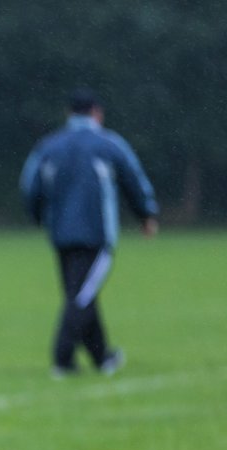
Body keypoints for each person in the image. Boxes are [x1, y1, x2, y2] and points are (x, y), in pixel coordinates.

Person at [19, 87, 159, 377]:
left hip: (59, 234)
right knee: (81, 296)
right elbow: (133, 178)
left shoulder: (49, 145)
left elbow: (29, 184)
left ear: (69, 114)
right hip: (96, 235)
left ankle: (102, 358)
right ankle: (63, 360)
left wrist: (36, 216)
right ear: (97, 113)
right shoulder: (108, 144)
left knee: (81, 292)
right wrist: (146, 214)